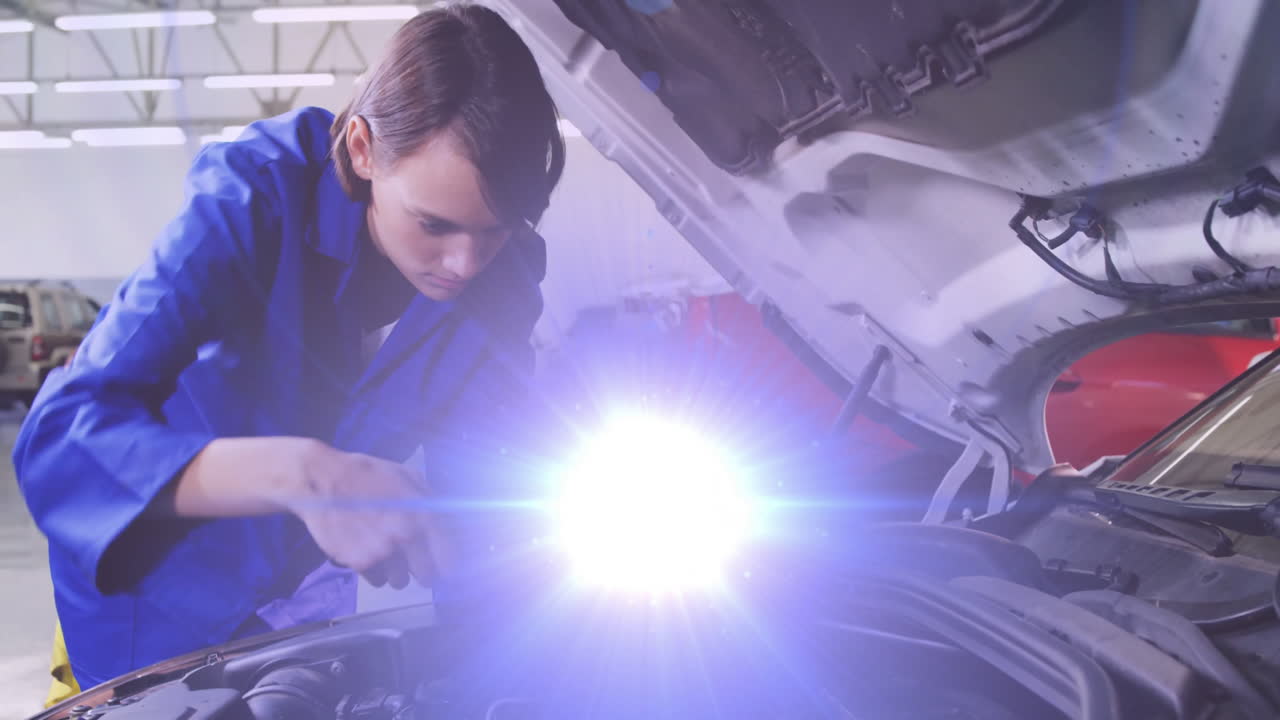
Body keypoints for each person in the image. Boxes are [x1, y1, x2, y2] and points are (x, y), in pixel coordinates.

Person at [14, 4, 565, 691]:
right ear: (363, 150)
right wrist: (304, 475)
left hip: (292, 603)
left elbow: (486, 501)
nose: (464, 264)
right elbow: (58, 442)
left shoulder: (504, 279)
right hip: (148, 595)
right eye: (435, 224)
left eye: (495, 230)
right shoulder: (256, 197)